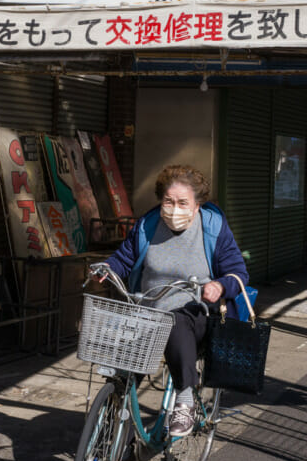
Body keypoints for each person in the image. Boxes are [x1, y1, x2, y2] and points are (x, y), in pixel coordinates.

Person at [99, 165, 249, 438]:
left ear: (197, 205)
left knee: (175, 321)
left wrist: (219, 285)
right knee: (122, 379)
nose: (174, 208)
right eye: (169, 201)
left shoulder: (213, 226)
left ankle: (185, 398)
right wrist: (107, 268)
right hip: (149, 311)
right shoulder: (148, 224)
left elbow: (238, 272)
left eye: (183, 202)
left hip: (196, 313)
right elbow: (124, 258)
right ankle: (110, 448)